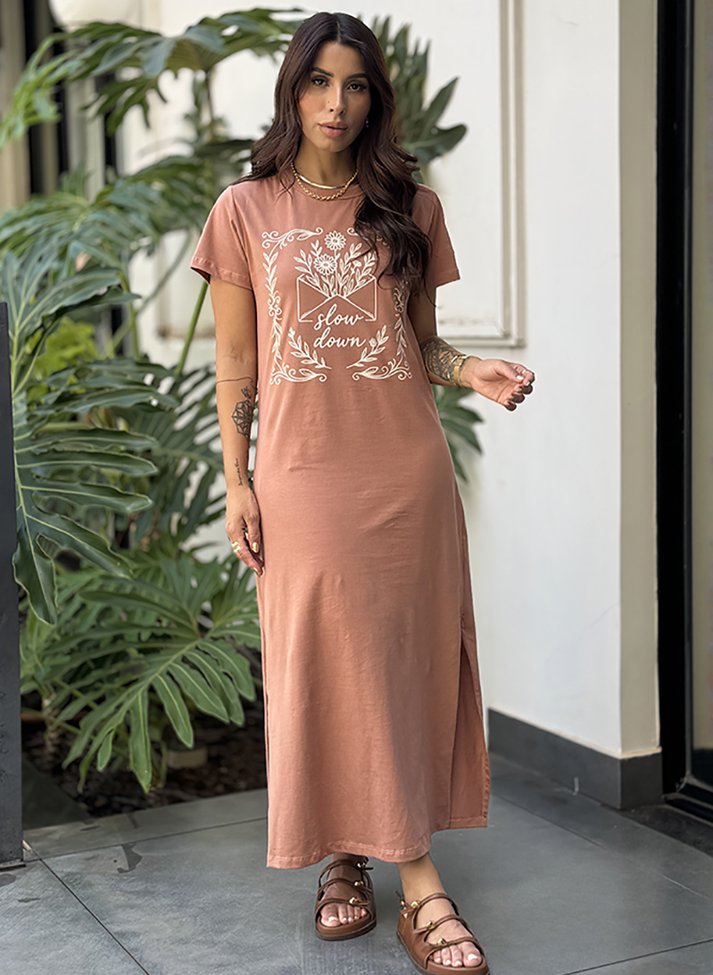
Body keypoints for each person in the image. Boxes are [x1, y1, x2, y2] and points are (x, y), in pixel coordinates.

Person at [191, 11, 534, 973]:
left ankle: (356, 856)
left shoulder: (409, 207)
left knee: (395, 664)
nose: (334, 103)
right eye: (317, 82)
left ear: (375, 99)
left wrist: (470, 371)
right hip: (302, 479)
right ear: (291, 91)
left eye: (353, 85)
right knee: (324, 664)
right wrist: (236, 480)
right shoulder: (244, 210)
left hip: (403, 476)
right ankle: (415, 883)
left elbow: (418, 344)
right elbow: (236, 365)